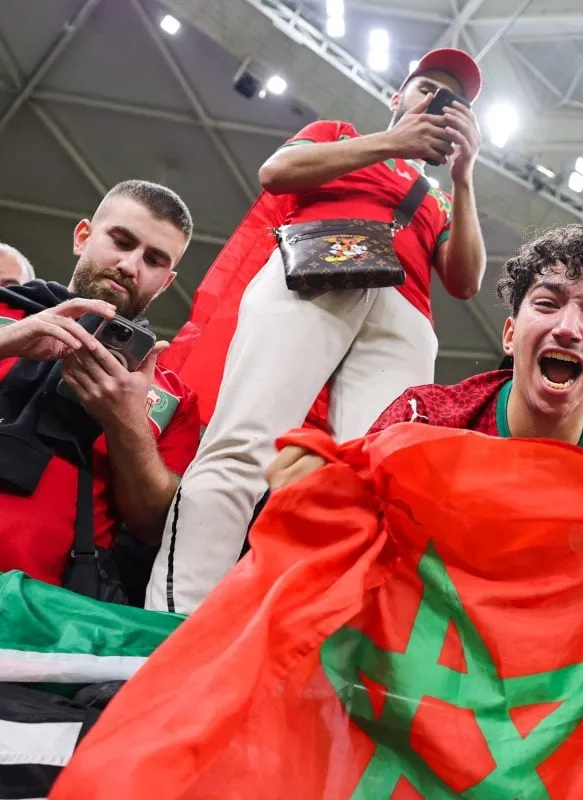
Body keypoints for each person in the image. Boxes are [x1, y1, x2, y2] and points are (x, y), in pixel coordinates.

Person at [269, 224, 583, 626]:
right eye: (547, 304)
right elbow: (344, 530)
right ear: (511, 335)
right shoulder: (423, 419)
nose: (567, 328)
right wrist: (311, 507)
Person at [149, 49, 488, 613]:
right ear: (396, 96)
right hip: (317, 267)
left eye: (452, 100)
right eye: (426, 87)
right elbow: (276, 173)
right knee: (243, 446)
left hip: (405, 314)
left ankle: (323, 647)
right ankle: (170, 625)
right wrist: (395, 143)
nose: (436, 101)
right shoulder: (339, 134)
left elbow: (466, 281)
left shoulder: (446, 199)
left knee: (372, 487)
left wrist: (466, 176)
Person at [0, 180, 200, 599]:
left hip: (51, 617)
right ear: (83, 237)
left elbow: (153, 527)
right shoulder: (6, 313)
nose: (130, 265)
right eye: (122, 241)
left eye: (154, 259)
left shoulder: (169, 396)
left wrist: (126, 421)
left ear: (166, 282)